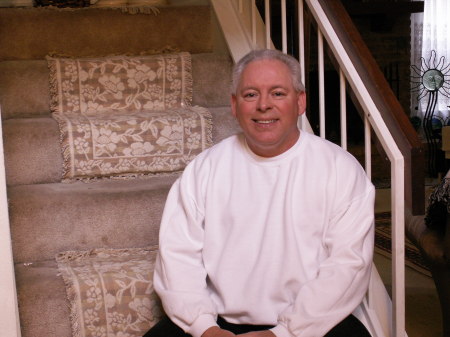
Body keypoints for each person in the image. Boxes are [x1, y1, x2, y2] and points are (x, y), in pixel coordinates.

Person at [144, 49, 375, 337]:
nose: (263, 105)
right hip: (217, 324)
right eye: (251, 94)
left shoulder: (340, 169)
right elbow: (178, 258)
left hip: (306, 326)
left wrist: (283, 333)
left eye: (277, 93)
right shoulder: (204, 169)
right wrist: (205, 328)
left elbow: (347, 266)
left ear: (300, 101)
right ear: (234, 104)